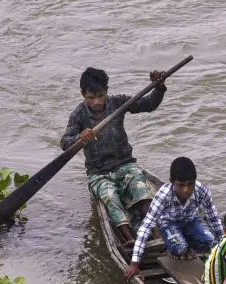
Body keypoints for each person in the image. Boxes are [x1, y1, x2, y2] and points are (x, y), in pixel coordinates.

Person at [60, 66, 167, 247]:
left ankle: (155, 234)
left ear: (107, 92)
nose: (97, 102)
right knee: (110, 197)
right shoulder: (78, 115)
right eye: (91, 98)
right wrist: (80, 137)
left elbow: (149, 105)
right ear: (82, 95)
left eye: (101, 96)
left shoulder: (118, 103)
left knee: (142, 190)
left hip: (125, 165)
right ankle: (130, 239)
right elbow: (65, 143)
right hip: (99, 173)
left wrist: (159, 87)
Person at [124, 157, 224, 280]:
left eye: (190, 184)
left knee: (209, 241)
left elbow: (213, 218)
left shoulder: (202, 191)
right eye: (181, 185)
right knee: (179, 248)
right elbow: (146, 227)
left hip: (191, 220)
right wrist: (135, 263)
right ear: (172, 182)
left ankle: (187, 244)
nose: (186, 189)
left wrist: (223, 243)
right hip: (168, 223)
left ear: (195, 180)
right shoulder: (163, 195)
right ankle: (177, 246)